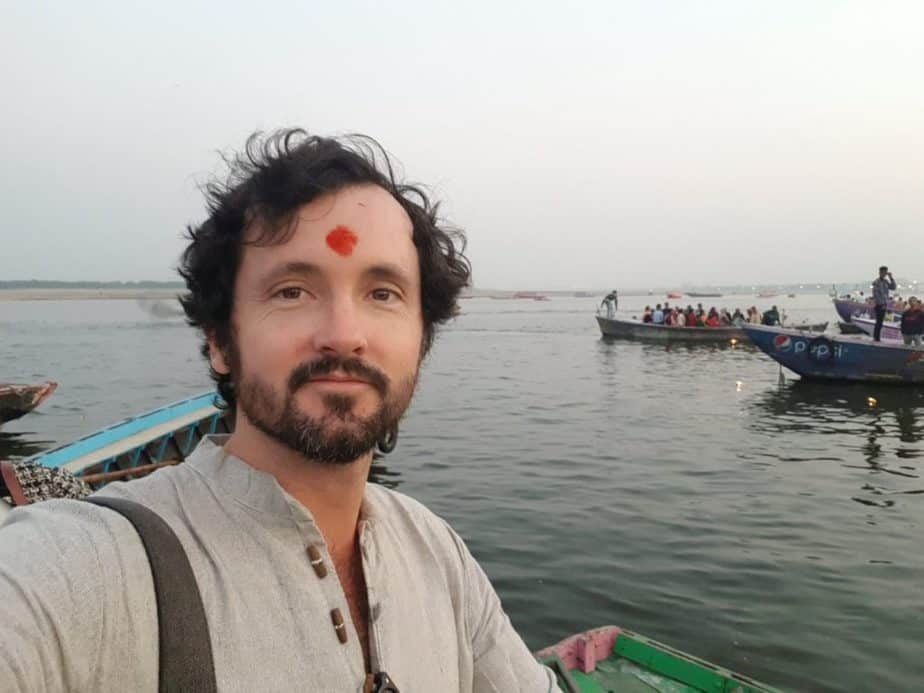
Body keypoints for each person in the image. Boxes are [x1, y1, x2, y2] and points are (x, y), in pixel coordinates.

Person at [0, 130, 560, 692]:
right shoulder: (81, 567)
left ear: (421, 337)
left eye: (383, 293)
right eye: (292, 291)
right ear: (220, 340)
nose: (345, 336)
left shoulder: (437, 552)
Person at [872, 266, 897, 341]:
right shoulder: (876, 282)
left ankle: (877, 337)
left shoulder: (886, 281)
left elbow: (893, 287)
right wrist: (881, 304)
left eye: (885, 273)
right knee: (878, 322)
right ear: (879, 272)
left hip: (884, 304)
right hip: (879, 305)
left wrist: (891, 278)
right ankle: (876, 338)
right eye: (883, 272)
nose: (884, 274)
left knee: (881, 322)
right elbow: (876, 295)